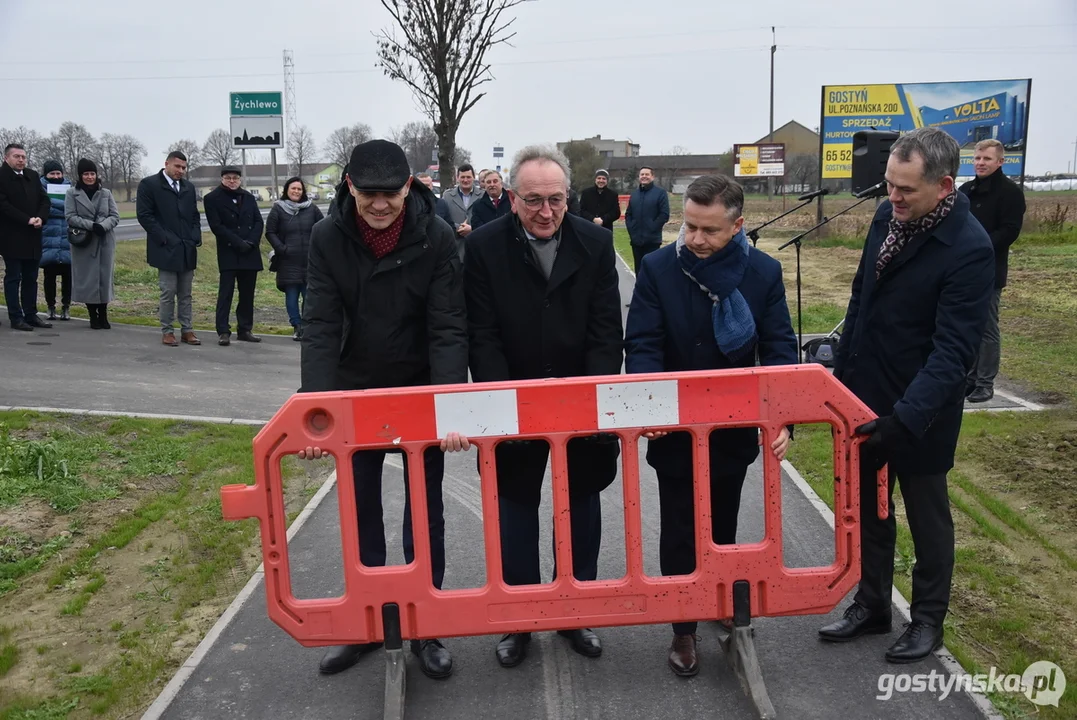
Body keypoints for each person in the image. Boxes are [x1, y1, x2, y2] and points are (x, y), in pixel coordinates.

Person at [820, 127, 994, 664]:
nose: (892, 197)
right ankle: (871, 605)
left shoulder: (970, 249)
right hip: (866, 398)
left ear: (944, 186)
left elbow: (952, 353)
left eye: (905, 189)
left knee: (927, 516)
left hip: (924, 412)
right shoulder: (886, 217)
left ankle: (926, 622)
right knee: (868, 512)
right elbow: (861, 298)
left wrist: (907, 417)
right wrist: (841, 381)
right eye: (888, 185)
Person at [299, 139, 469, 680]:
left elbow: (447, 324)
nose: (379, 205)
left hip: (418, 388)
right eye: (368, 193)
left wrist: (446, 407)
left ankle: (427, 625)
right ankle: (367, 624)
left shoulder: (436, 235)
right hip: (356, 390)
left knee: (424, 511)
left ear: (408, 188)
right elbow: (321, 323)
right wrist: (317, 407)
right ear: (349, 186)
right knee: (360, 510)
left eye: (389, 194)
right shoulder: (328, 236)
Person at [624, 174, 797, 677]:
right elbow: (643, 344)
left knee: (721, 520)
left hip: (732, 430)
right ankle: (682, 626)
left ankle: (720, 594)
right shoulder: (659, 267)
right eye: (689, 226)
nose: (695, 240)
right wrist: (650, 403)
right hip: (675, 431)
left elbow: (781, 348)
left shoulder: (763, 273)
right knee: (679, 524)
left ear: (738, 225)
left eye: (710, 230)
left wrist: (782, 418)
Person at [464, 144, 623, 669]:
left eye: (556, 199)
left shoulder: (596, 243)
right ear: (512, 198)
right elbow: (481, 335)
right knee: (515, 506)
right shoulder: (485, 247)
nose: (546, 211)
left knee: (580, 503)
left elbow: (606, 330)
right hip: (512, 400)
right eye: (533, 200)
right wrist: (501, 404)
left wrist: (594, 401)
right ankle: (519, 617)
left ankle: (576, 610)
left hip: (582, 401)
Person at [959, 139, 1026, 403]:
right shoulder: (965, 190)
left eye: (986, 159)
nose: (980, 163)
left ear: (1000, 161)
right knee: (964, 326)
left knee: (986, 327)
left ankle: (985, 383)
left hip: (989, 270)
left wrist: (978, 246)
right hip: (961, 271)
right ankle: (969, 379)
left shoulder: (1010, 192)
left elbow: (1010, 231)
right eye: (977, 158)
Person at [137, 150, 202, 347]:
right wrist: (164, 238)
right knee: (168, 292)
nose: (181, 171)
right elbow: (145, 215)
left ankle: (187, 329)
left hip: (186, 248)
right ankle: (167, 330)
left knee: (186, 293)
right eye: (177, 167)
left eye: (184, 167)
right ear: (167, 164)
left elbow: (193, 215)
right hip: (165, 248)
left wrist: (194, 237)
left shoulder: (188, 188)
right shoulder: (150, 185)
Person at [204, 166, 265, 346]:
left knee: (247, 294)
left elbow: (258, 222)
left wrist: (252, 242)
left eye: (235, 178)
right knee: (226, 293)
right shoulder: (212, 198)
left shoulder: (248, 197)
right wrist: (238, 242)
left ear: (240, 179)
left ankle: (245, 329)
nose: (232, 181)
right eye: (228, 178)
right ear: (222, 179)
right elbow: (217, 226)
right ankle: (223, 330)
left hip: (249, 252)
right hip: (229, 251)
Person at [266, 177, 324, 341]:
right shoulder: (278, 209)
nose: (296, 191)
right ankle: (296, 326)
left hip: (309, 260)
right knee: (291, 295)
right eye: (293, 188)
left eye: (299, 189)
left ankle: (306, 326)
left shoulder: (312, 209)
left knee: (309, 295)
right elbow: (270, 232)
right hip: (288, 260)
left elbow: (324, 228)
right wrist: (282, 249)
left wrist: (318, 248)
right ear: (287, 190)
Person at [0, 143, 51, 330]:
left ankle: (31, 314)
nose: (21, 160)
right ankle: (16, 317)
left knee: (31, 277)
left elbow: (44, 200)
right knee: (13, 277)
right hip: (11, 236)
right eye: (17, 157)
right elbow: (4, 206)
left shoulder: (33, 175)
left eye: (23, 156)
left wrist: (40, 218)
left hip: (33, 235)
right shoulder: (2, 177)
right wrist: (27, 219)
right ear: (7, 158)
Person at [65, 159, 119, 329]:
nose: (89, 177)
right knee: (87, 279)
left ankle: (103, 314)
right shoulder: (71, 194)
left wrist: (103, 226)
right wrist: (91, 226)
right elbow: (70, 217)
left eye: (92, 174)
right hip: (84, 241)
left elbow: (114, 216)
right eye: (86, 174)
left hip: (104, 241)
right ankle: (92, 315)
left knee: (103, 278)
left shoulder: (106, 194)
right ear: (80, 176)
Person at [39, 160, 72, 321]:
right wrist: (65, 208)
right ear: (46, 174)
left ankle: (66, 306)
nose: (56, 176)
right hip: (48, 237)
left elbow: (74, 208)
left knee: (68, 276)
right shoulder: (39, 188)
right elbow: (43, 208)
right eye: (52, 173)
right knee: (49, 275)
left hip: (67, 238)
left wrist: (53, 207)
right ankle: (50, 306)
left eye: (58, 173)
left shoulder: (70, 188)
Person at [625, 166, 670, 273]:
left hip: (652, 241)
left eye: (647, 174)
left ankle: (651, 290)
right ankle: (639, 289)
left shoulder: (660, 193)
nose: (644, 176)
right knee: (639, 270)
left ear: (652, 177)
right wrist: (632, 230)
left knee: (652, 270)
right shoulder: (634, 194)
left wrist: (652, 227)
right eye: (642, 174)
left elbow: (664, 215)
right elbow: (628, 214)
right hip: (636, 241)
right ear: (639, 177)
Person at [437, 164, 478, 259]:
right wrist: (459, 227)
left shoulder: (482, 195)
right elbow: (442, 219)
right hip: (454, 247)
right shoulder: (448, 196)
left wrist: (472, 228)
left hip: (476, 246)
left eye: (468, 177)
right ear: (457, 178)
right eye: (462, 177)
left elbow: (487, 220)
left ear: (473, 177)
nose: (465, 180)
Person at [579, 168, 621, 232]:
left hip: (606, 230)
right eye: (599, 178)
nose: (601, 181)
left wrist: (603, 219)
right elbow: (581, 210)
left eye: (604, 178)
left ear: (607, 180)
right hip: (588, 229)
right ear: (595, 179)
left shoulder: (613, 195)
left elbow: (616, 213)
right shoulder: (586, 193)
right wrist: (593, 219)